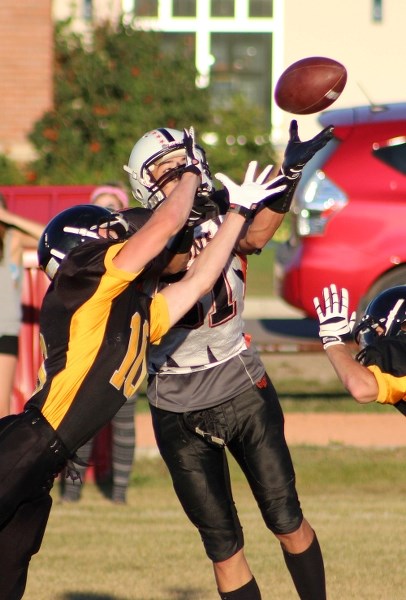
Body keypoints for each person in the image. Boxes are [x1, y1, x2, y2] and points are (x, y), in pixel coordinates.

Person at [0, 127, 288, 599]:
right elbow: (163, 227)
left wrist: (237, 215)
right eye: (112, 230)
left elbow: (197, 283)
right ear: (87, 245)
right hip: (27, 444)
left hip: (43, 462)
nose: (123, 231)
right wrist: (189, 176)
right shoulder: (84, 279)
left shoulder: (128, 313)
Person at [124, 120, 334, 600]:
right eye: (166, 168)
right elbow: (174, 262)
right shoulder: (140, 231)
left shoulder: (221, 209)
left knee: (287, 520)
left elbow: (256, 236)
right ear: (143, 181)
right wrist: (198, 213)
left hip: (241, 386)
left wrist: (291, 173)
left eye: (184, 162)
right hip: (176, 403)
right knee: (223, 550)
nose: (179, 173)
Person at [61, 183, 135, 504]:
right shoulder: (77, 253)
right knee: (80, 424)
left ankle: (119, 494)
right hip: (87, 348)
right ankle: (71, 492)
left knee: (124, 421)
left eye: (112, 210)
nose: (105, 220)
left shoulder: (135, 252)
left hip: (123, 346)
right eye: (99, 210)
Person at [313, 283, 406, 414]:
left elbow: (362, 388)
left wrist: (333, 341)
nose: (375, 337)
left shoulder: (400, 352)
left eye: (377, 331)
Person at [0, 195, 44, 417]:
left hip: (4, 332)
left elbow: (46, 236)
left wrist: (8, 218)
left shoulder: (11, 239)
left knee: (1, 407)